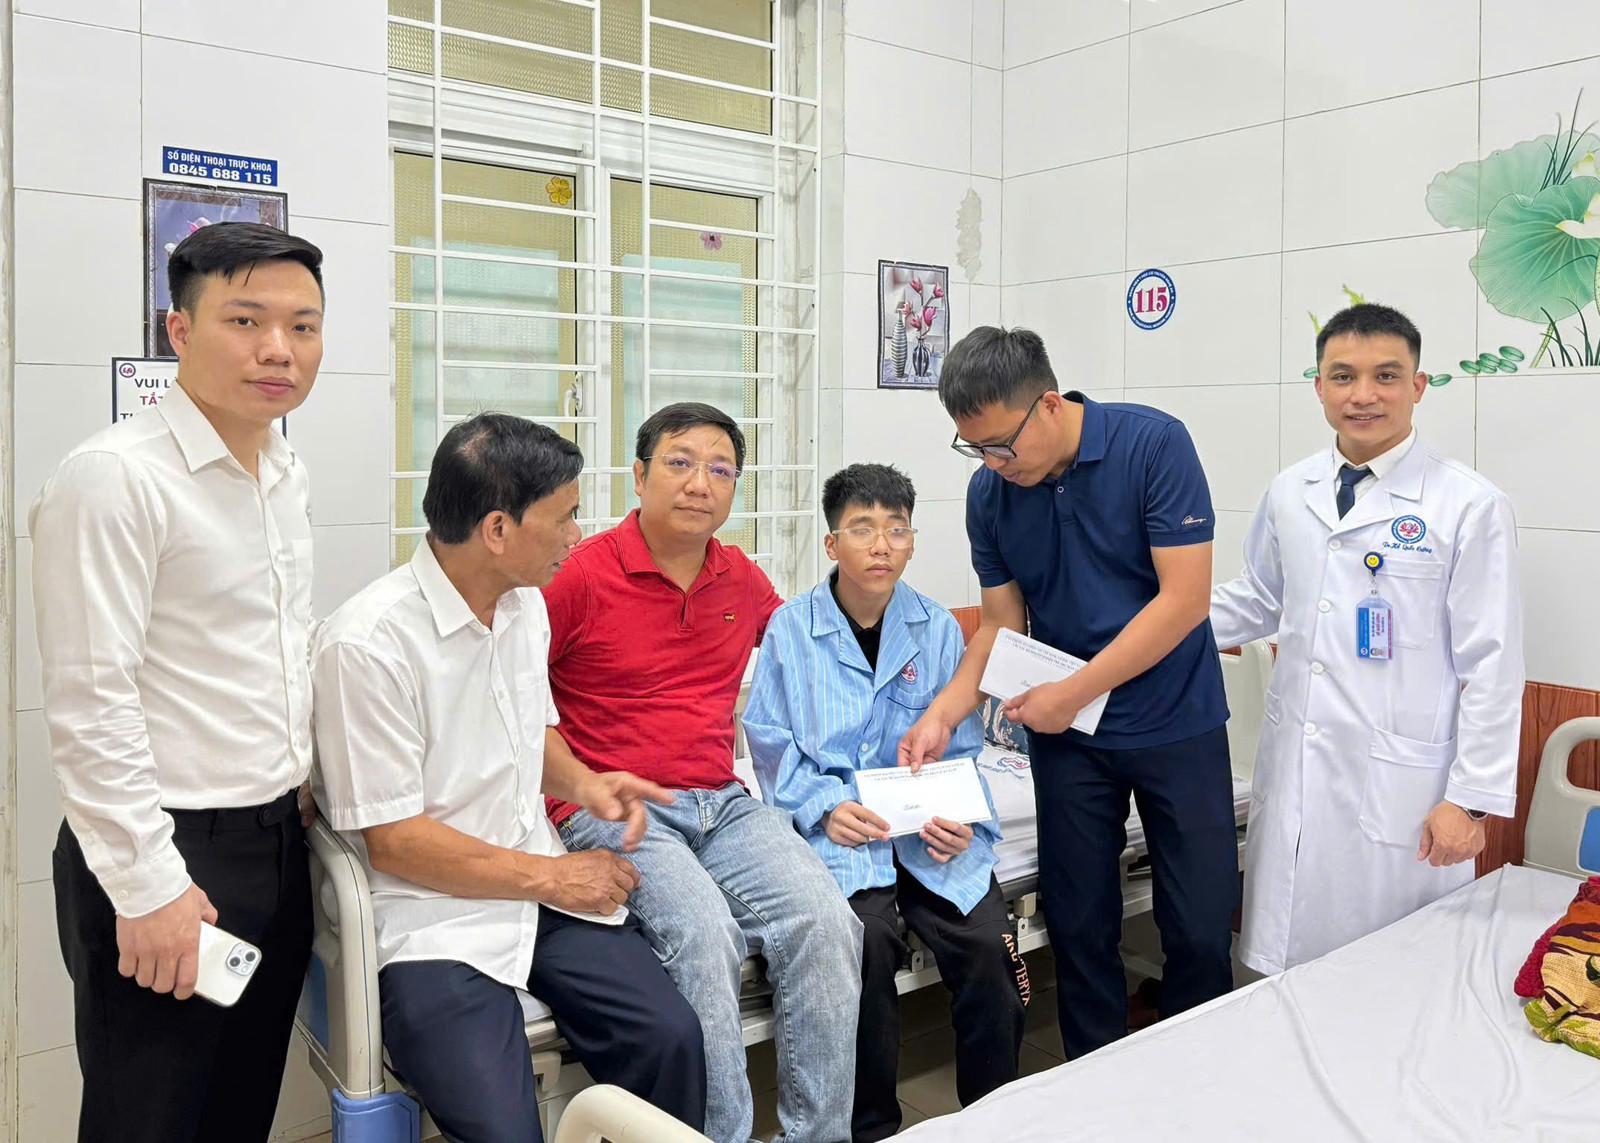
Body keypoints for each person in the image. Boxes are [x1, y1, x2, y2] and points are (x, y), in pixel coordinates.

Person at [311, 414, 706, 1143]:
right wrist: (556, 878)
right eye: (565, 517)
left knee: (670, 1038)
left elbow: (529, 728)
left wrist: (586, 784)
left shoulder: (524, 606)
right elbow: (396, 841)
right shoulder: (367, 646)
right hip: (431, 916)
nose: (577, 536)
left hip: (535, 887)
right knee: (503, 1128)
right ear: (497, 529)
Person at [32, 222, 326, 1142]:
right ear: (180, 329)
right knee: (149, 1120)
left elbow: (271, 649)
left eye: (303, 325)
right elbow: (91, 700)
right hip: (169, 854)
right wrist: (148, 886)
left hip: (277, 844)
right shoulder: (114, 478)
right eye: (246, 320)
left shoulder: (283, 471)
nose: (279, 348)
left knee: (239, 1111)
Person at [899, 326, 1239, 1059]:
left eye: (1001, 445)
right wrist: (944, 713)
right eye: (975, 449)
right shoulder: (991, 493)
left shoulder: (1154, 446)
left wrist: (1073, 690)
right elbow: (1000, 624)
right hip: (1071, 741)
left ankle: (1199, 1075)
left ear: (1049, 405)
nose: (992, 463)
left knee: (1200, 924)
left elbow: (1184, 600)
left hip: (1174, 721)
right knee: (1081, 925)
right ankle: (1093, 1082)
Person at [547, 402, 862, 1143]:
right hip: (615, 805)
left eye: (721, 470)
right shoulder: (580, 575)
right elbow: (513, 699)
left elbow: (809, 651)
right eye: (680, 463)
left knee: (827, 919)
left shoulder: (738, 574)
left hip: (720, 801)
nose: (700, 484)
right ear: (639, 474)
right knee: (701, 931)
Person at [1211, 303, 1523, 974]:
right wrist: (1145, 631)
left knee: (1395, 975)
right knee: (1283, 974)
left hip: (1406, 790)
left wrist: (1469, 801)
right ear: (1319, 387)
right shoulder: (1291, 490)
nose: (1363, 394)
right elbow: (1260, 599)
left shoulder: (1467, 504)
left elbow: (1493, 663)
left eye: (1386, 375)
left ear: (1418, 385)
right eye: (1343, 375)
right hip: (1298, 769)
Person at [744, 463, 1027, 1143]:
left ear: (912, 541)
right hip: (846, 831)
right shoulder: (790, 629)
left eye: (896, 529)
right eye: (862, 528)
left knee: (990, 947)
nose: (881, 545)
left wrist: (963, 818)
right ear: (831, 542)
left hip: (930, 831)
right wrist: (823, 806)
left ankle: (994, 1117)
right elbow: (771, 745)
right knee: (862, 946)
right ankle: (872, 1127)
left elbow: (963, 745)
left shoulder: (936, 627)